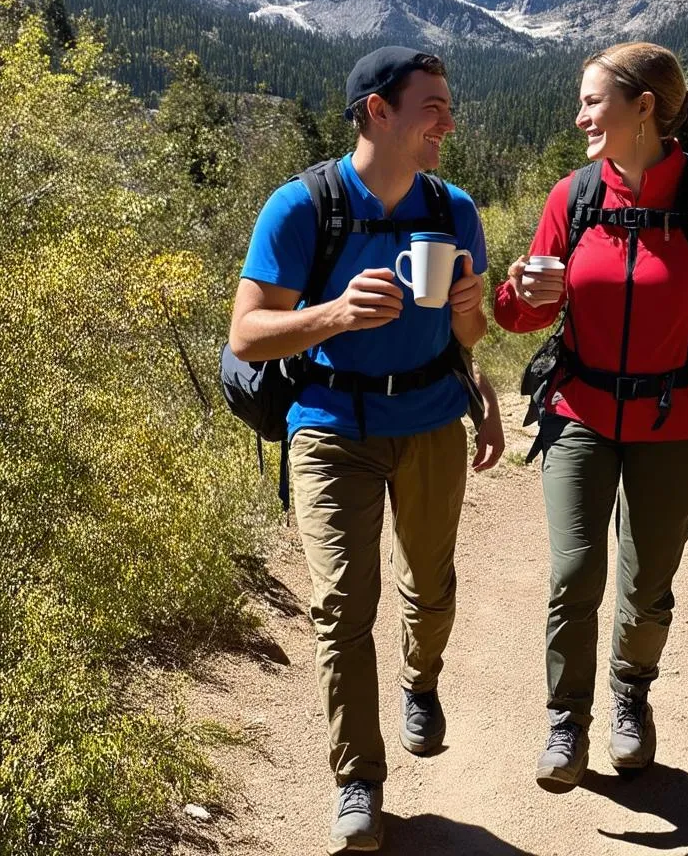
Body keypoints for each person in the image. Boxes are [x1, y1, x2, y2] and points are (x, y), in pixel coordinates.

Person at [493, 42, 688, 793]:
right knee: (575, 573)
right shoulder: (571, 198)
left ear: (644, 107)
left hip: (677, 422)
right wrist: (521, 294)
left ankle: (631, 699)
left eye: (592, 101)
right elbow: (516, 313)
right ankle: (566, 723)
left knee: (647, 587)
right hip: (580, 411)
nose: (579, 116)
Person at [229, 46, 504, 853]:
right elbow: (247, 333)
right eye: (433, 106)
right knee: (342, 607)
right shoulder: (301, 207)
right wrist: (336, 313)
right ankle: (358, 779)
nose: (449, 122)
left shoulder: (455, 212)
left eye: (450, 105)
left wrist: (467, 311)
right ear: (377, 112)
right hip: (329, 425)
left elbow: (473, 335)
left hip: (428, 421)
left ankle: (422, 680)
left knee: (431, 582)